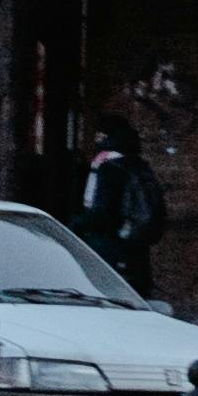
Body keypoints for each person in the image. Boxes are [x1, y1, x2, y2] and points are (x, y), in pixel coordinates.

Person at [74, 124, 166, 299]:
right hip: (135, 248)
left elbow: (102, 213)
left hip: (109, 247)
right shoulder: (140, 166)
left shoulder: (109, 168)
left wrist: (75, 225)